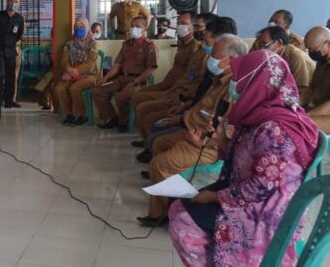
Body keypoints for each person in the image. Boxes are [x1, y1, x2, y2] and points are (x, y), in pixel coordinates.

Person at [169, 50, 318, 266]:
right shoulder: (261, 114)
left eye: (239, 79)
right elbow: (245, 158)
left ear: (256, 81)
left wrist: (214, 197)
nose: (235, 85)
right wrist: (221, 138)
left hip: (266, 210)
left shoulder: (275, 128)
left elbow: (262, 185)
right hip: (248, 194)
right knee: (179, 208)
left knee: (183, 223)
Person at [137, 34, 248, 227]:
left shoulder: (233, 89)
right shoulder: (219, 79)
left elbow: (227, 133)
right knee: (159, 142)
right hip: (192, 131)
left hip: (206, 145)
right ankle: (169, 194)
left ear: (230, 60)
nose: (210, 58)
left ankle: (160, 214)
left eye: (214, 53)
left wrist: (201, 142)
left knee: (159, 164)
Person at [134, 13, 218, 147]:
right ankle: (148, 143)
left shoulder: (203, 52)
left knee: (144, 108)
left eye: (185, 24)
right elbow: (184, 75)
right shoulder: (190, 47)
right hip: (177, 91)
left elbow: (197, 85)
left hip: (184, 98)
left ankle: (150, 144)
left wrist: (181, 99)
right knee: (139, 99)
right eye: (178, 23)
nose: (180, 26)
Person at [92, 16, 157, 132]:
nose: (134, 28)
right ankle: (111, 118)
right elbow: (117, 65)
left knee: (120, 97)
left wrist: (134, 82)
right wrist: (105, 78)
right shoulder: (126, 44)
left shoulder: (149, 46)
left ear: (145, 28)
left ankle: (124, 121)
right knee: (97, 91)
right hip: (121, 79)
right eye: (132, 26)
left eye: (137, 26)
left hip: (138, 82)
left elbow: (150, 70)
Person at [54, 18, 98, 125]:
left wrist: (74, 72)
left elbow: (90, 63)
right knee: (59, 89)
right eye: (77, 27)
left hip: (89, 75)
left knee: (74, 88)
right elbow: (64, 61)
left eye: (82, 27)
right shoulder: (69, 44)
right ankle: (68, 115)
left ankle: (81, 116)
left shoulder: (93, 44)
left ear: (87, 28)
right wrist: (69, 70)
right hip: (71, 73)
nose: (79, 29)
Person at [0, 0, 26, 108]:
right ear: (7, 1)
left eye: (16, 2)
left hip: (11, 51)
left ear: (19, 4)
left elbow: (19, 36)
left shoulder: (19, 19)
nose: (13, 3)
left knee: (11, 76)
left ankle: (9, 102)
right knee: (1, 74)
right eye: (11, 1)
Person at [253, 26, 315, 92]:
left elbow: (300, 90)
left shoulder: (296, 57)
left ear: (279, 43)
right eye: (259, 44)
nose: (260, 48)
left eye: (264, 44)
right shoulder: (272, 56)